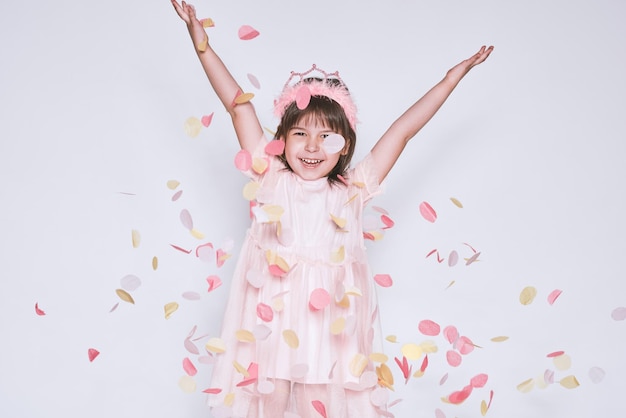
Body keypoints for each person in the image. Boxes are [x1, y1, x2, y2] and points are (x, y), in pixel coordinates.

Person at [171, 1, 493, 417]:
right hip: (270, 326)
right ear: (281, 140)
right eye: (300, 133)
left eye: (326, 137)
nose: (311, 146)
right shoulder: (271, 178)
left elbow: (404, 130)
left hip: (328, 332)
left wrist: (451, 79)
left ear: (345, 145)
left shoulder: (352, 190)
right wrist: (202, 44)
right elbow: (239, 106)